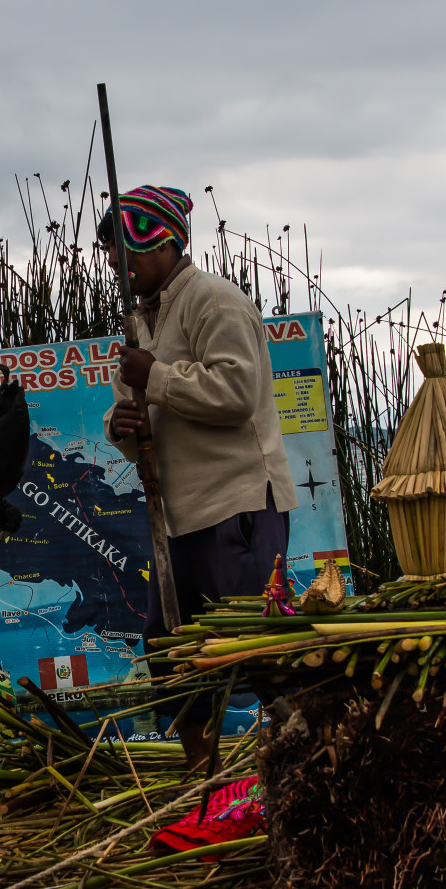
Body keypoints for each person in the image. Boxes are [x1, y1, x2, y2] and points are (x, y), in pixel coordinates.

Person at [99, 186, 297, 773]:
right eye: (111, 254)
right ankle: (200, 771)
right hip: (177, 515)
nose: (116, 264)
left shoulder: (217, 302)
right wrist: (124, 423)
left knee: (258, 648)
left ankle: (317, 754)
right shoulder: (140, 321)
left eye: (125, 252)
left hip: (237, 508)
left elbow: (237, 394)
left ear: (163, 242)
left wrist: (156, 377)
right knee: (169, 648)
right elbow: (128, 415)